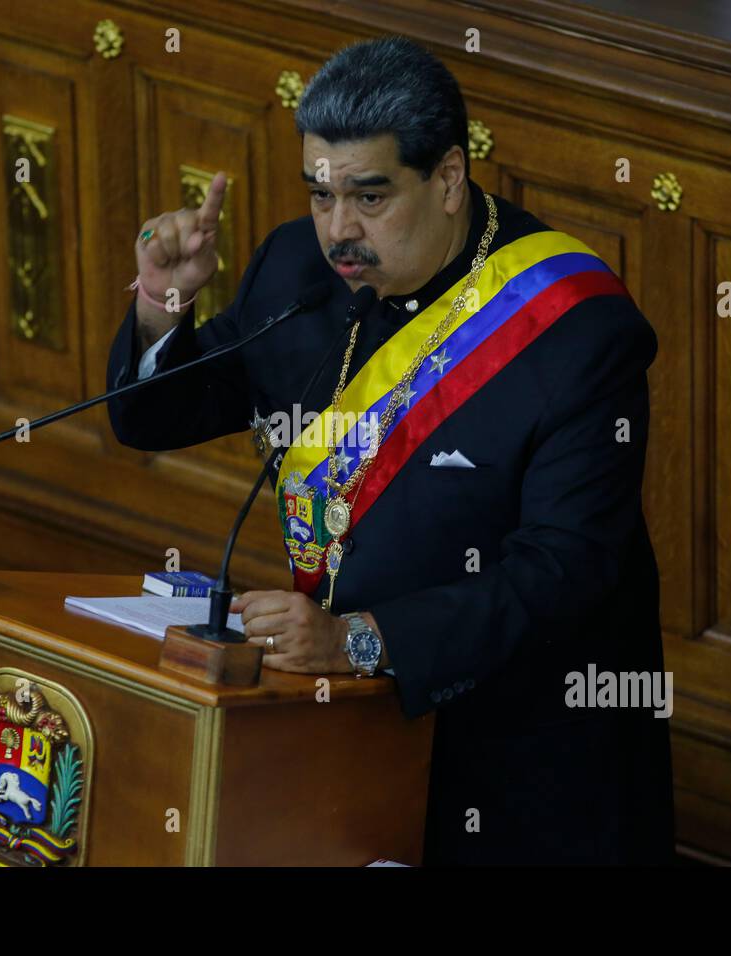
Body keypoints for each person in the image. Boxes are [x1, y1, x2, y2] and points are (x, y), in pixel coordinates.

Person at [107, 35, 674, 865]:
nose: (340, 231)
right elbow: (155, 418)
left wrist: (360, 641)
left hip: (521, 762)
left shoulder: (576, 331)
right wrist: (163, 304)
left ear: (447, 179)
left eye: (370, 198)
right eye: (321, 195)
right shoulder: (297, 268)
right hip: (345, 729)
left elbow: (562, 575)